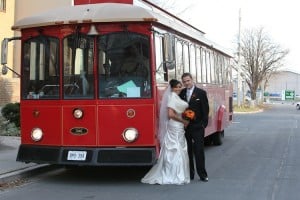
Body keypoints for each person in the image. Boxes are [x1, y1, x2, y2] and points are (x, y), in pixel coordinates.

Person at [141, 79, 190, 185]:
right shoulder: (172, 97)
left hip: (177, 126)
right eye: (176, 86)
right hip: (175, 125)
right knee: (176, 149)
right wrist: (183, 121)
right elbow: (170, 114)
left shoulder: (174, 97)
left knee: (177, 148)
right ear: (172, 88)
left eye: (180, 86)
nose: (179, 88)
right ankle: (175, 174)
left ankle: (176, 173)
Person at [179, 73, 209, 182]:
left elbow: (205, 110)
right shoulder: (181, 93)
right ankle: (190, 174)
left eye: (188, 80)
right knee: (188, 151)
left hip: (197, 127)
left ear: (192, 80)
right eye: (184, 81)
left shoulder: (201, 93)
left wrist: (203, 124)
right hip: (186, 127)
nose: (186, 83)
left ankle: (202, 174)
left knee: (199, 150)